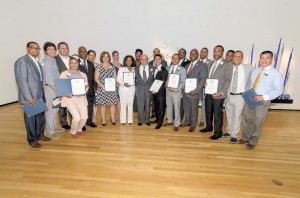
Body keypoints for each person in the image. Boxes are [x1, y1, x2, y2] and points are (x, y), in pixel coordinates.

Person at [239, 51, 283, 149]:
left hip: (262, 101)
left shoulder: (276, 73)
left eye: (267, 58)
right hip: (249, 99)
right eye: (262, 58)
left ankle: (252, 141)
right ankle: (245, 138)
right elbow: (250, 84)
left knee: (258, 122)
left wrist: (263, 97)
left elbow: (279, 90)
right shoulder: (255, 71)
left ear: (271, 59)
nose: (264, 60)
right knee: (246, 120)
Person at [14, 41, 51, 148]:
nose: (35, 50)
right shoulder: (22, 61)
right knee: (31, 119)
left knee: (40, 118)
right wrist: (29, 97)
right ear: (27, 49)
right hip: (30, 97)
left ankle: (40, 135)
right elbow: (22, 81)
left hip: (39, 96)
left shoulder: (36, 62)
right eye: (32, 48)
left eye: (37, 48)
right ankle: (32, 139)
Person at [200, 45, 233, 140]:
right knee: (208, 110)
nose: (216, 53)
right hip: (208, 92)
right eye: (214, 51)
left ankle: (218, 132)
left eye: (218, 51)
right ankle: (209, 127)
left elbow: (227, 80)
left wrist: (221, 93)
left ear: (222, 53)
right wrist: (205, 82)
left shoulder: (227, 64)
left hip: (218, 94)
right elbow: (208, 77)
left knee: (218, 113)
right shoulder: (210, 63)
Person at [223, 51, 253, 143]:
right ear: (232, 58)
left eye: (239, 57)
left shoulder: (249, 68)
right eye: (235, 56)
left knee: (237, 116)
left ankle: (234, 135)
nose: (237, 58)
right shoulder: (228, 67)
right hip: (229, 95)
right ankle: (229, 131)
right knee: (229, 115)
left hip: (240, 96)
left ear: (242, 58)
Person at [59, 58, 89, 138]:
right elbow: (61, 86)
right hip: (69, 99)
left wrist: (85, 88)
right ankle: (73, 131)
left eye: (75, 63)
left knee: (84, 117)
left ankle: (79, 129)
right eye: (72, 63)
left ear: (78, 64)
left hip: (81, 98)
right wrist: (66, 93)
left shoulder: (83, 75)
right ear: (69, 64)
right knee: (76, 117)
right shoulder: (64, 74)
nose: (74, 64)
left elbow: (87, 86)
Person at [181, 49, 208, 132]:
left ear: (198, 55)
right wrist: (183, 88)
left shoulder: (202, 65)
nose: (192, 55)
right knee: (186, 108)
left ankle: (193, 124)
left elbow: (203, 79)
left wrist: (196, 90)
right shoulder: (187, 65)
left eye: (194, 54)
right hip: (186, 92)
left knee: (193, 109)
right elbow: (184, 79)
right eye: (191, 54)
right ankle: (187, 121)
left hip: (194, 92)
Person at [41, 42, 61, 139]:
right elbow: (49, 79)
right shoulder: (46, 62)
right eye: (49, 49)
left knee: (56, 108)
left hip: (56, 88)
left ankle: (54, 127)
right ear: (45, 51)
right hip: (51, 89)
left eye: (53, 49)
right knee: (51, 110)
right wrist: (58, 91)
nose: (52, 51)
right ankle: (50, 131)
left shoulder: (53, 60)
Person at [94, 51, 118, 126]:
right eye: (104, 57)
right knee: (103, 105)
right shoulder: (99, 67)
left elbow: (115, 78)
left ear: (109, 58)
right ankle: (103, 119)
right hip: (102, 88)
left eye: (107, 57)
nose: (105, 58)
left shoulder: (112, 66)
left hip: (111, 88)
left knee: (113, 104)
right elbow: (96, 79)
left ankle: (112, 117)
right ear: (101, 58)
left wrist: (114, 85)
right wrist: (102, 86)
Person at [164, 54, 186, 131]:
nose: (174, 60)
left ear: (179, 60)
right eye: (173, 58)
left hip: (176, 92)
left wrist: (175, 89)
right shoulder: (167, 68)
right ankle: (169, 121)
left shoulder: (182, 69)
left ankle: (177, 123)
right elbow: (165, 79)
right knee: (169, 107)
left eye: (176, 59)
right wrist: (166, 83)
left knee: (177, 109)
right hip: (168, 91)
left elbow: (183, 82)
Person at [78, 46, 97, 129]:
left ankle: (89, 121)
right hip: (80, 90)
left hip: (90, 90)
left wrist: (95, 88)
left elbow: (93, 77)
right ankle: (82, 124)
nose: (83, 53)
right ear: (79, 53)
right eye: (81, 51)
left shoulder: (91, 64)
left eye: (85, 51)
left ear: (86, 53)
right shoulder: (76, 63)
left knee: (90, 106)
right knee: (81, 107)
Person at [55, 42, 71, 130]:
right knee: (62, 104)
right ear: (59, 50)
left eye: (66, 48)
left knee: (73, 103)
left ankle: (74, 120)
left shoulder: (72, 58)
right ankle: (63, 122)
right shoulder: (55, 59)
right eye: (62, 48)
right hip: (61, 84)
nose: (64, 50)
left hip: (72, 84)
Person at [135, 54, 154, 126]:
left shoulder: (152, 68)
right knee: (140, 105)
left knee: (148, 105)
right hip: (139, 90)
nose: (144, 61)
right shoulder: (136, 69)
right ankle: (140, 120)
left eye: (146, 59)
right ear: (140, 60)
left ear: (148, 60)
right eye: (142, 59)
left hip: (149, 90)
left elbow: (155, 80)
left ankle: (147, 120)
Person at [151, 54, 168, 129]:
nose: (157, 60)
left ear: (161, 60)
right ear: (154, 61)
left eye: (158, 59)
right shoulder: (154, 69)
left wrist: (156, 90)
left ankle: (160, 123)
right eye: (155, 59)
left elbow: (163, 82)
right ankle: (157, 119)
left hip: (160, 92)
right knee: (157, 107)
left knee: (161, 108)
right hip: (154, 92)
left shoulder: (164, 70)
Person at [117, 55, 136, 125]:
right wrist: (123, 84)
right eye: (127, 60)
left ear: (132, 61)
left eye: (130, 60)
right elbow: (118, 79)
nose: (129, 61)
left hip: (131, 89)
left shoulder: (134, 69)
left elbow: (134, 80)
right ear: (125, 61)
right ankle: (123, 120)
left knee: (130, 104)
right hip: (123, 89)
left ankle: (130, 120)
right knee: (123, 104)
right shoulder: (121, 69)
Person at [199, 47, 212, 127]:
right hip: (196, 87)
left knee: (204, 104)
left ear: (207, 54)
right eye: (202, 52)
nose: (203, 53)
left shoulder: (211, 62)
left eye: (205, 52)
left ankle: (202, 120)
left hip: (205, 87)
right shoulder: (197, 62)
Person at [178, 48, 191, 122]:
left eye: (182, 52)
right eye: (179, 52)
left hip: (183, 86)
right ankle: (176, 117)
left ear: (185, 54)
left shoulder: (188, 62)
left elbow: (187, 75)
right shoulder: (174, 61)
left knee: (182, 104)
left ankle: (180, 118)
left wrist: (184, 87)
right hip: (174, 87)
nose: (180, 54)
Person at [87, 50, 99, 124]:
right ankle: (87, 117)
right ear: (87, 55)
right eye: (90, 55)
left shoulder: (96, 65)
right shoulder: (84, 64)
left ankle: (94, 117)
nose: (92, 57)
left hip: (95, 86)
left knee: (95, 103)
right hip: (87, 86)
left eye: (93, 55)